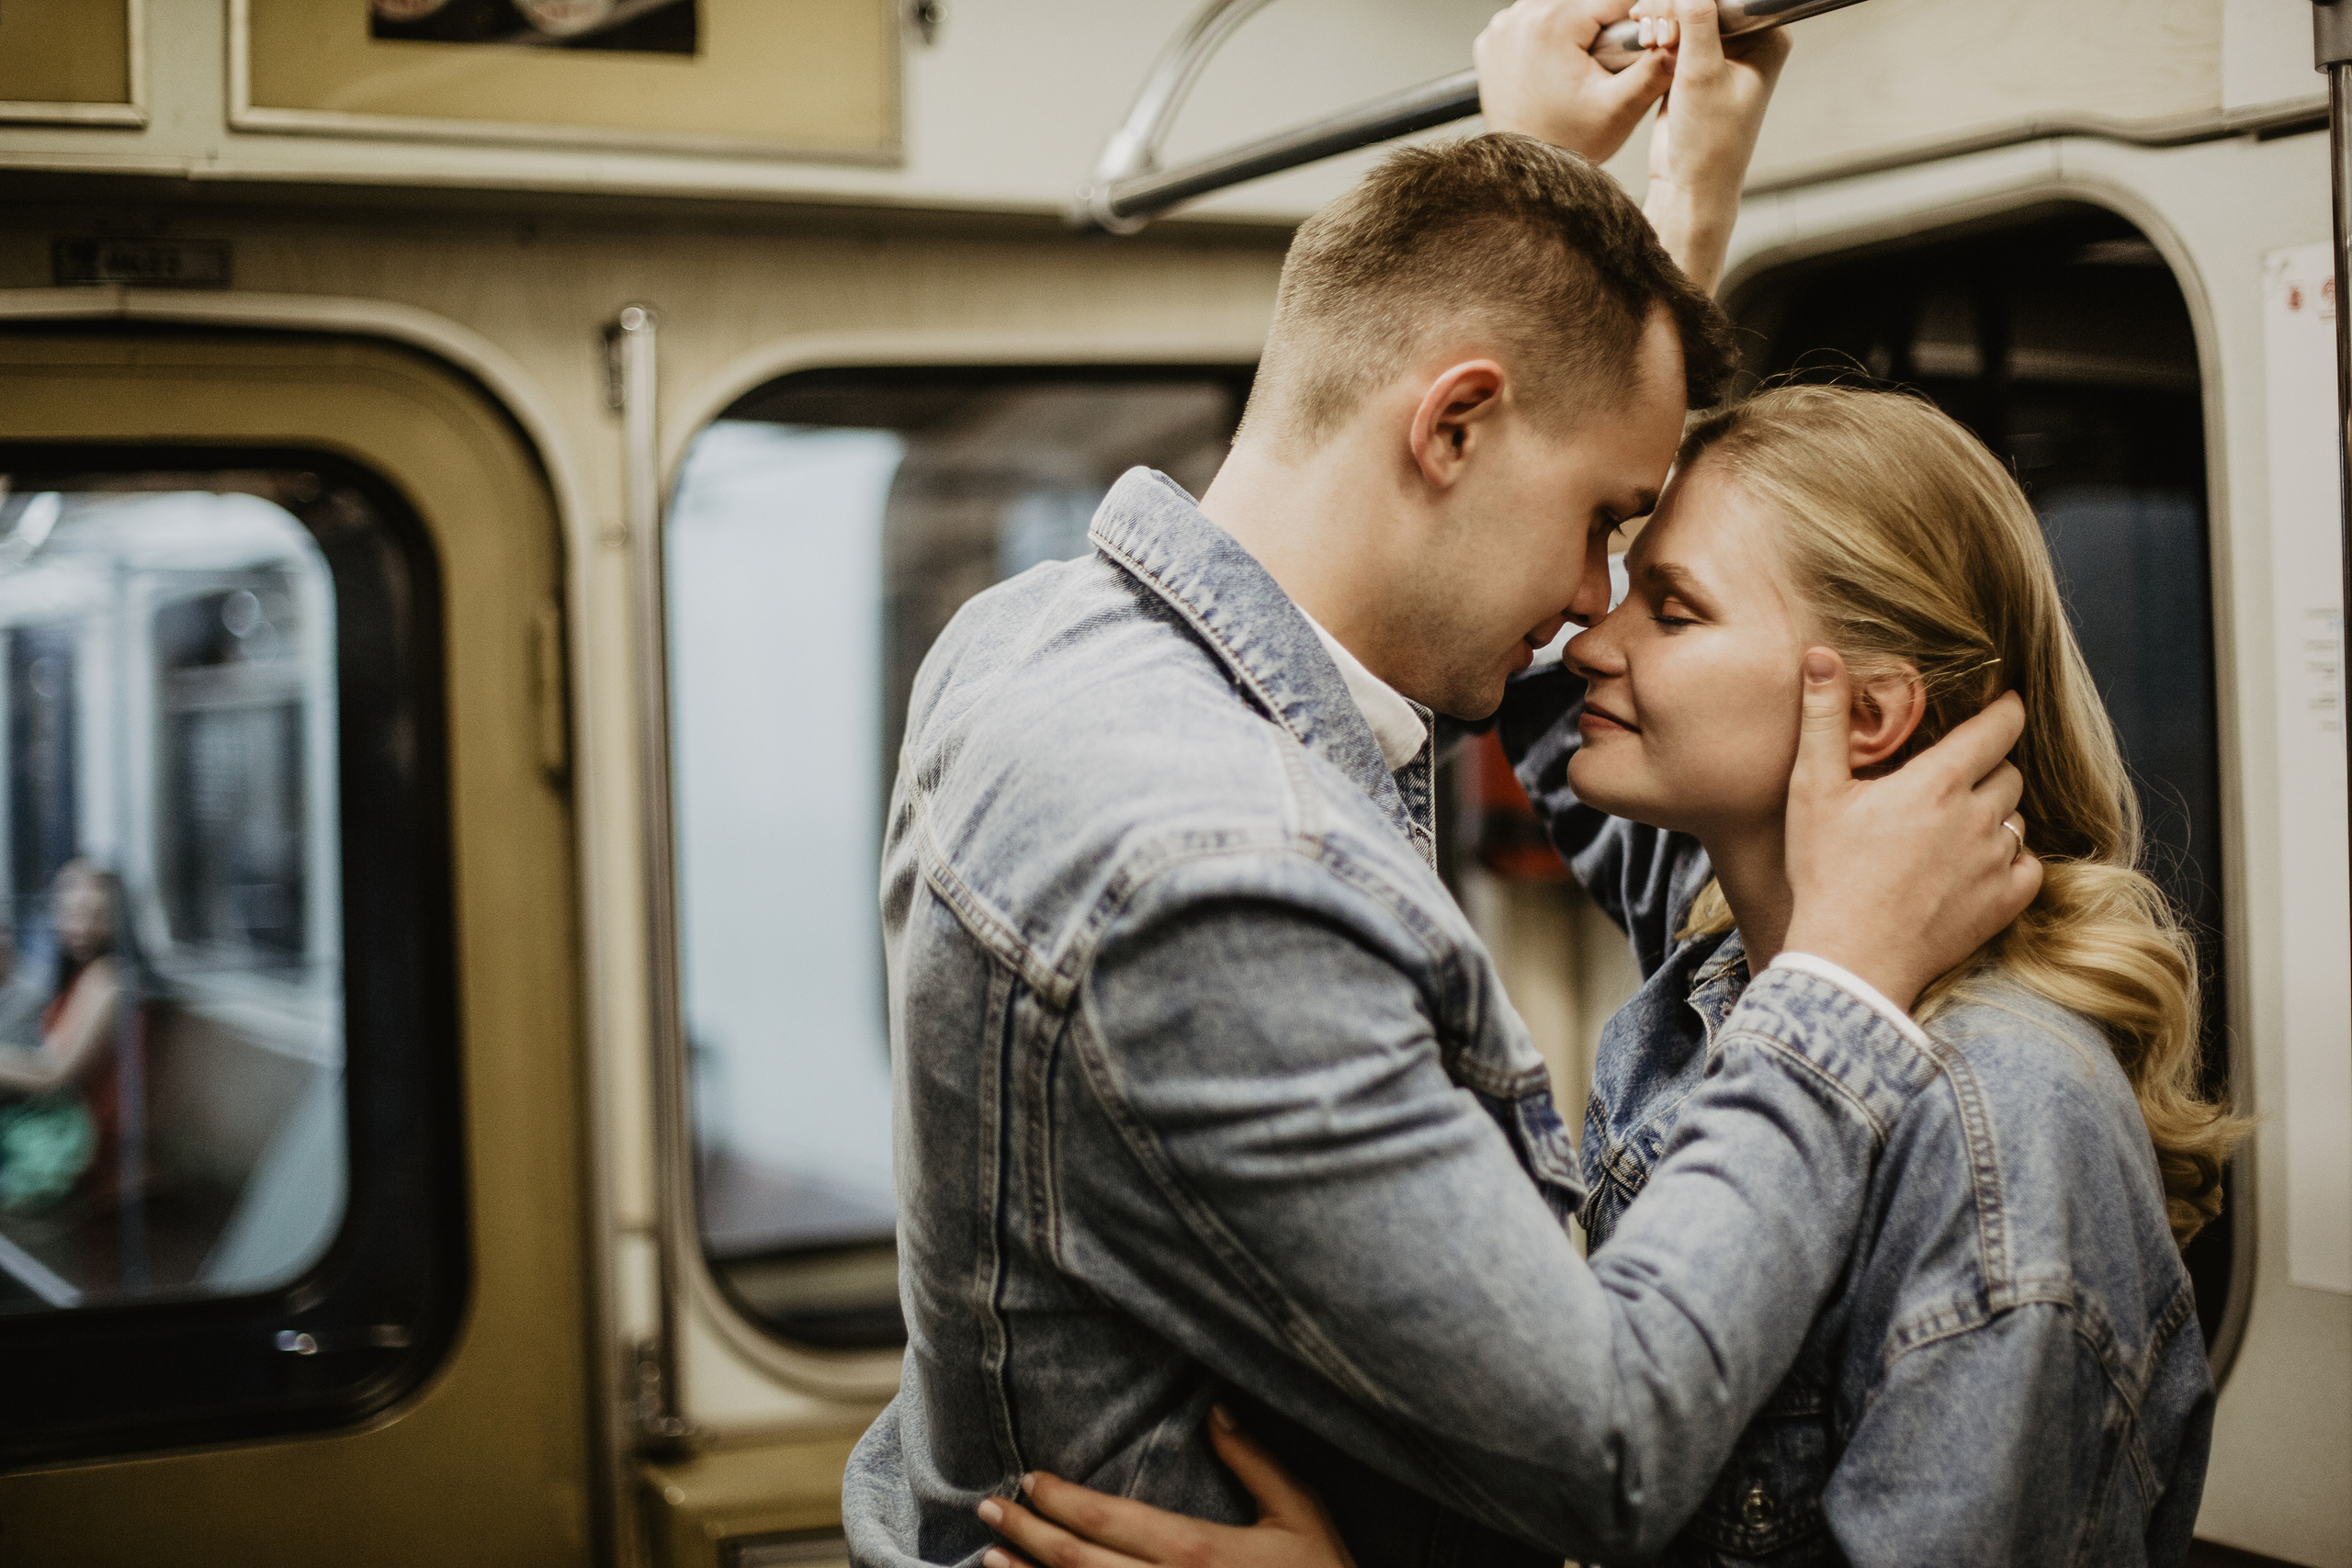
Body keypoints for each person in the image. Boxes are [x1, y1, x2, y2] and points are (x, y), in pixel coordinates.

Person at [842, 6, 2041, 1566]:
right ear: (1454, 423)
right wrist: (1841, 985)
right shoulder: (1217, 863)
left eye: (1651, 578)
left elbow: (1497, 443)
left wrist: (1565, 192)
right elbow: (1611, 1447)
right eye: (1606, 522)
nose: (1586, 604)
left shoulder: (1032, 645)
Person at [968, 387, 2245, 1567]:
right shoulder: (1726, 978)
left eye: (1672, 608)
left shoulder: (2006, 1116)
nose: (1591, 636)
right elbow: (1503, 647)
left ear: (1868, 714)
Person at [0, 862, 130, 1212]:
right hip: (56, 1120)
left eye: (95, 915)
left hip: (80, 1135)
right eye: (70, 913)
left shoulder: (107, 978)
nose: (81, 927)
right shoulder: (79, 974)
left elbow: (53, 1073)